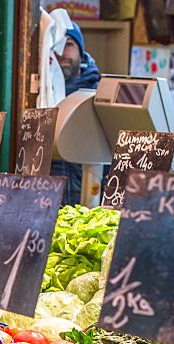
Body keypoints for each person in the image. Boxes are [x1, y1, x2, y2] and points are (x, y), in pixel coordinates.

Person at [49, 22, 101, 207]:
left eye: (69, 44)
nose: (62, 52)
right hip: (48, 207)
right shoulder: (37, 97)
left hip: (92, 205)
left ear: (81, 50)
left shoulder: (102, 96)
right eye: (56, 45)